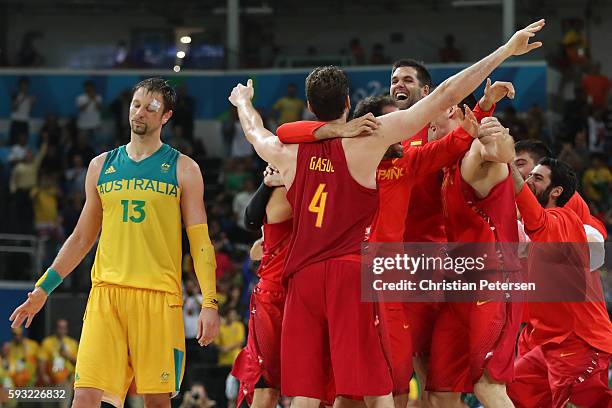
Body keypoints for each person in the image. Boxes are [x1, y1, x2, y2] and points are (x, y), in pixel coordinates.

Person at [228, 20, 545, 408]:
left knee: (316, 394)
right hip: (356, 277)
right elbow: (446, 96)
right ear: (350, 107)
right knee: (377, 390)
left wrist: (243, 102)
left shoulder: (289, 150)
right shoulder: (373, 148)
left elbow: (256, 132)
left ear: (311, 107)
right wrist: (505, 53)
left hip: (316, 279)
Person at [10, 78, 220, 408]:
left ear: (166, 116)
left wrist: (210, 301)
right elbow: (81, 237)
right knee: (84, 397)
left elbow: (201, 243)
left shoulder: (184, 168)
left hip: (158, 298)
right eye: (136, 104)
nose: (140, 112)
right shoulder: (101, 166)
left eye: (151, 108)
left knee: (156, 402)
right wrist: (42, 289)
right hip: (106, 296)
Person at [507, 158, 612, 408]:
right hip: (549, 345)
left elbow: (533, 215)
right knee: (511, 391)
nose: (530, 181)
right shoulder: (534, 232)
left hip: (580, 341)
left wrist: (505, 164)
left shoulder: (563, 220)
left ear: (556, 192)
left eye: (538, 178)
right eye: (529, 175)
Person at [233, 165, 293, 408]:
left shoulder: (306, 184)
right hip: (282, 291)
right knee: (268, 384)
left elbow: (251, 223)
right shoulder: (281, 185)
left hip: (291, 292)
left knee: (273, 384)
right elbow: (250, 219)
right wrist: (268, 183)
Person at [39, 319, 79, 408]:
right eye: (59, 328)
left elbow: (78, 363)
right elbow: (42, 361)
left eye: (64, 328)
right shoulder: (48, 343)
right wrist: (44, 376)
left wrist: (67, 355)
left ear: (67, 329)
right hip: (50, 381)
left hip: (66, 381)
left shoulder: (72, 343)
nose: (61, 330)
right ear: (55, 329)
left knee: (63, 406)